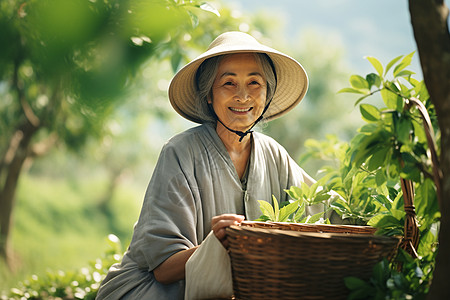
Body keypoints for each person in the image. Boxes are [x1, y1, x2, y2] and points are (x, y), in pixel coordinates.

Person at [96, 31, 332, 299]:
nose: (243, 96)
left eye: (254, 83)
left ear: (267, 93)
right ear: (209, 95)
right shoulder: (181, 152)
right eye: (229, 83)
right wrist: (214, 246)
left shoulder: (275, 156)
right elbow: (163, 269)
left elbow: (326, 209)